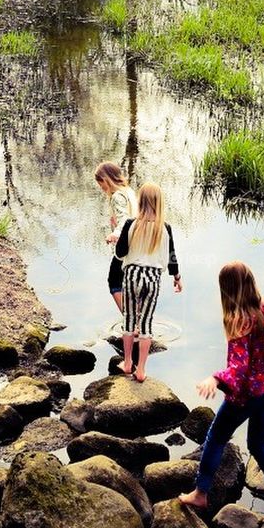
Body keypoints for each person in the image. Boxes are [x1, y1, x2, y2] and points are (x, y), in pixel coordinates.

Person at [179, 261, 264, 524]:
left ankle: (200, 493)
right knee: (258, 445)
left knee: (216, 437)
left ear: (226, 291)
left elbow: (238, 368)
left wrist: (215, 378)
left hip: (246, 397)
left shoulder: (238, 320)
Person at [114, 181, 182, 382]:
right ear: (159, 203)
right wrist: (177, 278)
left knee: (128, 319)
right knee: (146, 323)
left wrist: (117, 238)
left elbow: (120, 253)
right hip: (152, 277)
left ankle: (127, 363)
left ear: (140, 202)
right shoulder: (165, 228)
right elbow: (172, 258)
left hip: (132, 274)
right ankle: (141, 369)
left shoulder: (130, 224)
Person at [94, 161, 138, 313]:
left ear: (106, 180)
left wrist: (115, 233)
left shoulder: (117, 196)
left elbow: (125, 219)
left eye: (102, 185)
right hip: (137, 244)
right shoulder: (129, 192)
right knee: (130, 284)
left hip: (124, 246)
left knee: (114, 282)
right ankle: (138, 320)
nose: (102, 189)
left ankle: (130, 321)